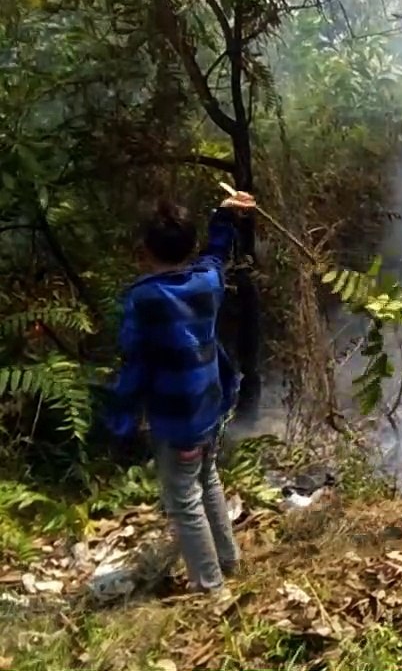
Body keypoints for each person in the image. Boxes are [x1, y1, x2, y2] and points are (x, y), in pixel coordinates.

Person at [107, 190, 257, 594]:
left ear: (143, 250)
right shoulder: (207, 281)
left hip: (177, 418)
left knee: (185, 500)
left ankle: (210, 586)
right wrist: (225, 217)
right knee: (208, 480)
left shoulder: (145, 298)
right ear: (189, 245)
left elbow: (135, 363)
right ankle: (228, 561)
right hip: (210, 404)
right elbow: (216, 253)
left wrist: (120, 420)